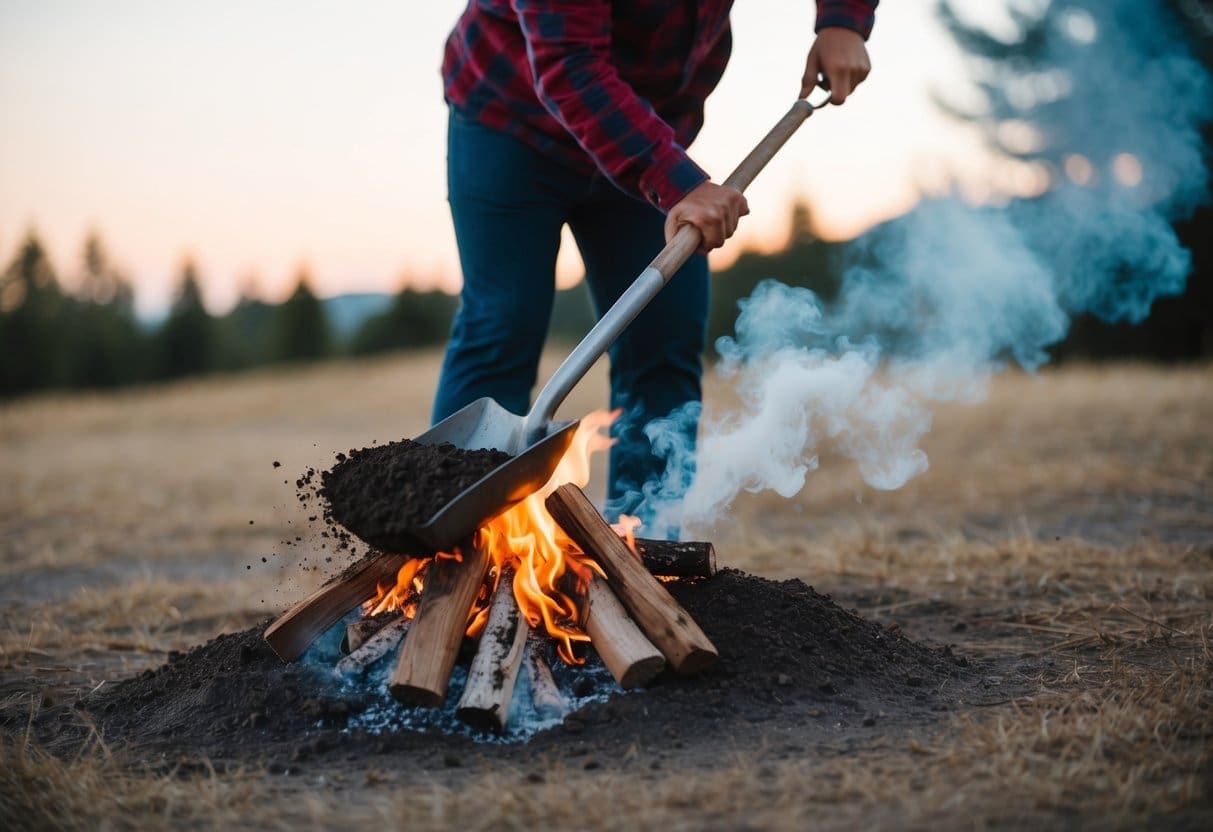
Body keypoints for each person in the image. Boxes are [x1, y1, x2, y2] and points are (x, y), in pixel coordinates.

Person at [433, 1, 877, 532]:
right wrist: (678, 182)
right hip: (511, 122)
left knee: (663, 346)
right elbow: (569, 63)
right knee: (500, 325)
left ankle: (645, 554)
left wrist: (842, 20)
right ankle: (453, 556)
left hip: (643, 120)